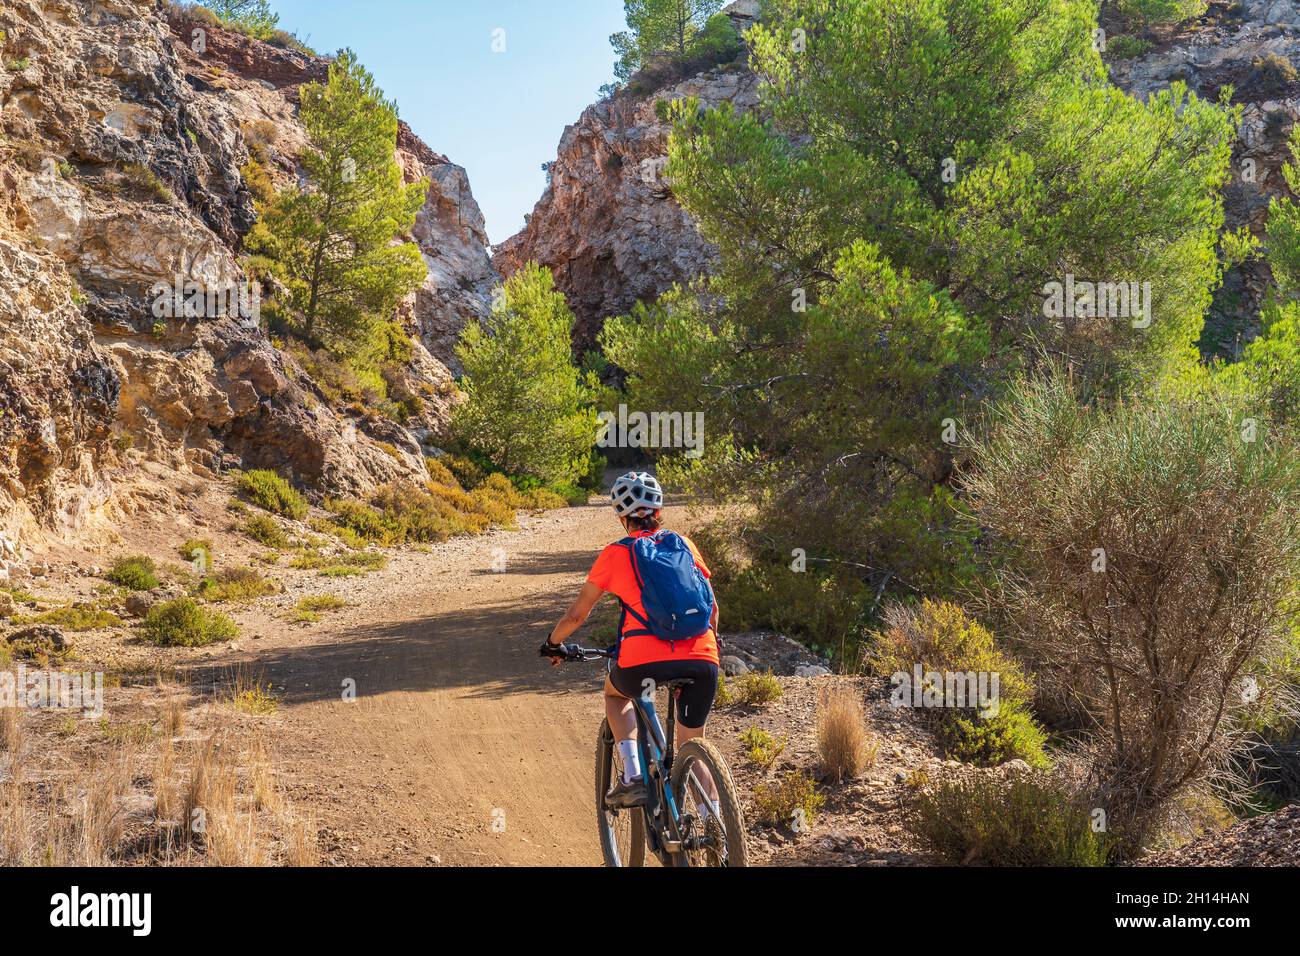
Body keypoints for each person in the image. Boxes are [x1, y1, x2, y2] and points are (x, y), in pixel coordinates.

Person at [541, 471, 719, 808]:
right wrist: (709, 647)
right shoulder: (685, 545)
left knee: (615, 694)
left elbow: (578, 614)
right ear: (658, 510)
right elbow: (712, 610)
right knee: (692, 742)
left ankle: (633, 776)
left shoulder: (615, 553)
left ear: (623, 517)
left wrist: (553, 643)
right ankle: (716, 826)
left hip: (642, 662)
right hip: (702, 658)